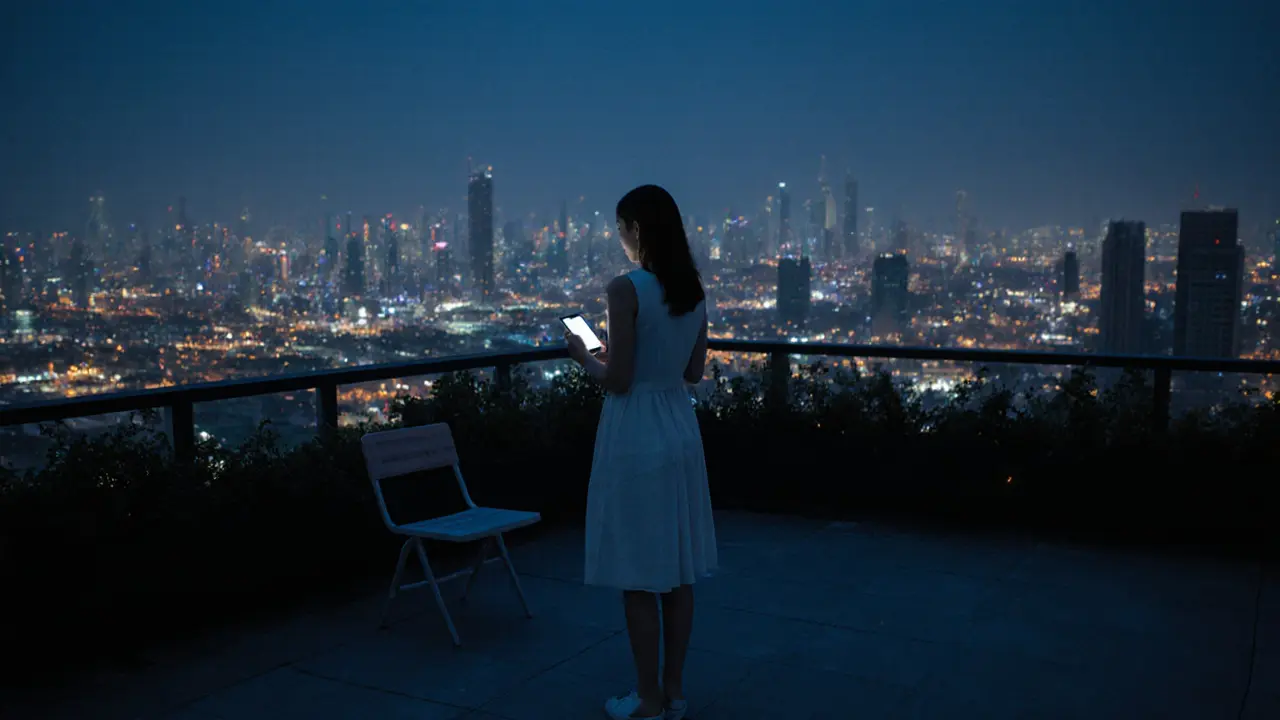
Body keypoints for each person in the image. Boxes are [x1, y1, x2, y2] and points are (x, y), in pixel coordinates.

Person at [564, 184, 718, 720]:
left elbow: (620, 379)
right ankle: (673, 692)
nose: (620, 237)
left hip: (635, 434)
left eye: (621, 227)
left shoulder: (624, 289)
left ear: (637, 229)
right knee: (677, 570)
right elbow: (694, 372)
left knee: (636, 572)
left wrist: (585, 357)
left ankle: (646, 699)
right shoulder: (694, 289)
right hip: (678, 426)